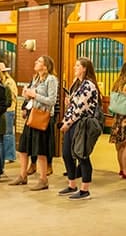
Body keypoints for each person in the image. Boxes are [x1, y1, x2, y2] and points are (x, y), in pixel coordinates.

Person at [9, 55, 58, 190]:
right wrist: (27, 95)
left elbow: (52, 100)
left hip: (42, 117)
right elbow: (31, 95)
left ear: (46, 66)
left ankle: (43, 179)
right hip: (31, 115)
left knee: (40, 150)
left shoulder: (51, 80)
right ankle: (22, 175)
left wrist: (34, 95)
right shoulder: (36, 78)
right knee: (23, 148)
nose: (36, 62)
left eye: (39, 61)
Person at [59, 56, 101, 200]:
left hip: (81, 123)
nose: (74, 68)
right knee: (66, 153)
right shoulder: (78, 84)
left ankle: (85, 189)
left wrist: (68, 123)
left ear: (84, 68)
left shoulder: (88, 85)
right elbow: (74, 106)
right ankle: (72, 184)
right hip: (72, 122)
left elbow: (81, 108)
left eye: (77, 66)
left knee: (81, 154)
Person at [0, 63, 17, 166]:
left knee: (8, 133)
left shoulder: (9, 83)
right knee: (1, 134)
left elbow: (11, 97)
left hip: (8, 110)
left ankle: (9, 156)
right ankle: (1, 154)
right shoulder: (1, 82)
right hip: (2, 111)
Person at [109, 62, 126, 179]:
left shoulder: (117, 83)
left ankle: (121, 169)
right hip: (125, 118)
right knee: (125, 146)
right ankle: (125, 170)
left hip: (117, 118)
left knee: (119, 146)